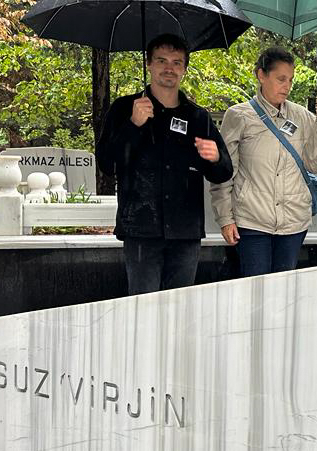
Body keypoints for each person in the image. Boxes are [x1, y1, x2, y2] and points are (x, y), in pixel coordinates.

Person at [96, 33, 233, 295]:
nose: (169, 68)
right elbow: (106, 163)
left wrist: (216, 157)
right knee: (144, 309)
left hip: (185, 232)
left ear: (184, 69)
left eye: (176, 62)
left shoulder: (197, 117)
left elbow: (223, 173)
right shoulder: (125, 108)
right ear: (149, 64)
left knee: (179, 311)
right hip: (141, 229)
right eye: (161, 61)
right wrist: (133, 126)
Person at [210, 47, 317, 277]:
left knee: (284, 290)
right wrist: (225, 218)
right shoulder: (239, 116)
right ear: (261, 75)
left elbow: (313, 165)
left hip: (293, 222)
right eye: (280, 79)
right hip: (252, 221)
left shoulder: (300, 115)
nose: (286, 86)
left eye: (290, 80)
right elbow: (224, 172)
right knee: (256, 289)